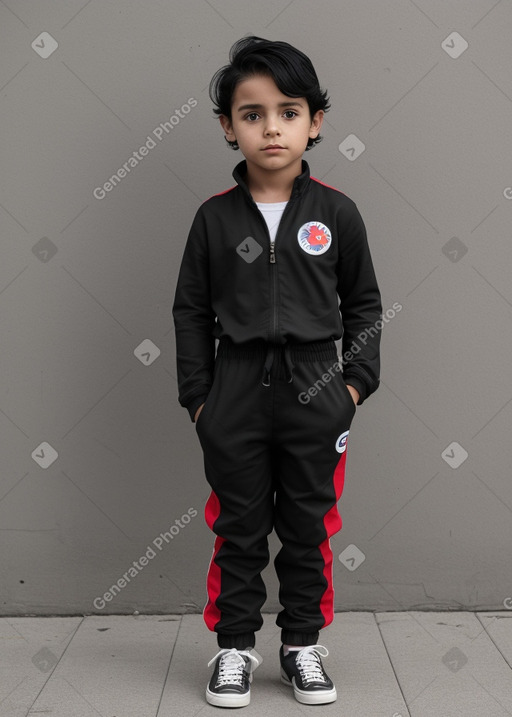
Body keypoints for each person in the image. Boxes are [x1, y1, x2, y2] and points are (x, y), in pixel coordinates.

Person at [172, 35, 382, 708]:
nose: (271, 127)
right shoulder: (213, 219)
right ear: (229, 127)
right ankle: (233, 648)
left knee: (308, 524)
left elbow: (367, 304)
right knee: (237, 523)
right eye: (252, 113)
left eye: (288, 111)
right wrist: (199, 398)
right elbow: (190, 311)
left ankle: (301, 645)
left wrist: (352, 388)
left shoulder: (337, 214)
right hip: (233, 389)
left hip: (318, 387)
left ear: (314, 123)